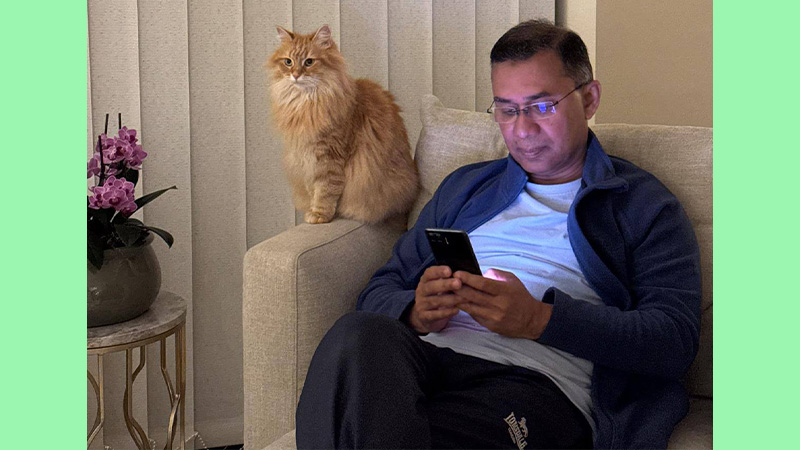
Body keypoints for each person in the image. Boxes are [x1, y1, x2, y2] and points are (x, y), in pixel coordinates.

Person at [296, 19, 701, 450]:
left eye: (542, 106)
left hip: (533, 385)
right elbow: (380, 290)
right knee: (355, 334)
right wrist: (416, 310)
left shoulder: (643, 203)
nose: (522, 130)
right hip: (422, 365)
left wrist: (539, 320)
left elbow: (673, 340)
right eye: (507, 110)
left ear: (589, 98)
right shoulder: (465, 187)